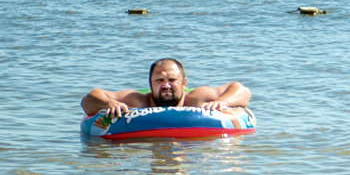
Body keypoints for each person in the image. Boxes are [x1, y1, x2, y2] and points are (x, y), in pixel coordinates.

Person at [81, 58, 252, 117]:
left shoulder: (195, 98)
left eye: (172, 80)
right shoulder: (139, 100)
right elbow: (89, 99)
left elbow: (242, 90)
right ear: (150, 84)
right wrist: (108, 104)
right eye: (159, 81)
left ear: (184, 83)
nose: (166, 85)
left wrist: (223, 101)